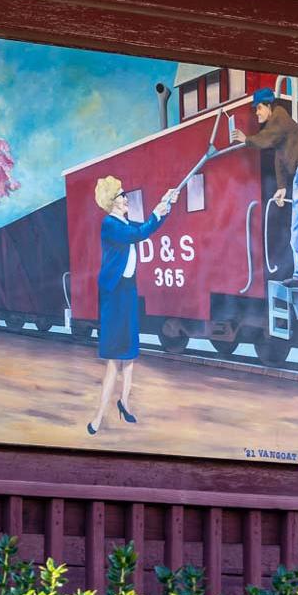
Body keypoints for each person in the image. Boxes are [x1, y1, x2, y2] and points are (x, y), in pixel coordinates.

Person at [89, 175, 177, 435]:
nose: (126, 198)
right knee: (114, 362)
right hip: (114, 295)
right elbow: (139, 233)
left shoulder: (123, 223)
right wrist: (158, 211)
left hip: (127, 292)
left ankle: (124, 403)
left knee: (130, 356)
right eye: (122, 195)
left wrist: (165, 205)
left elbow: (147, 228)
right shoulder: (110, 225)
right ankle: (97, 417)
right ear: (112, 202)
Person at [231, 87, 298, 286]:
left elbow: (267, 139)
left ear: (268, 106)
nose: (257, 112)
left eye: (259, 108)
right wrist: (282, 187)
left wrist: (246, 139)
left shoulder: (279, 116)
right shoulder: (281, 126)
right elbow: (279, 157)